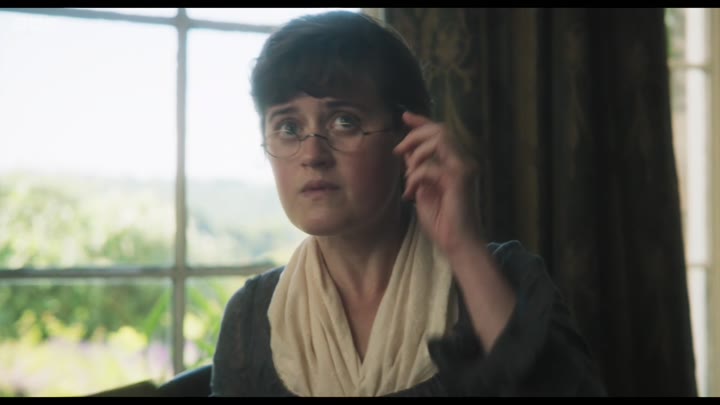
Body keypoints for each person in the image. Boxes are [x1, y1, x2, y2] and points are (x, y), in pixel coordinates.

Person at [211, 10, 607, 397]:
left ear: (408, 138)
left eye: (344, 121)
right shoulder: (250, 318)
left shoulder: (509, 277)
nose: (313, 154)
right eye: (288, 127)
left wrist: (464, 250)